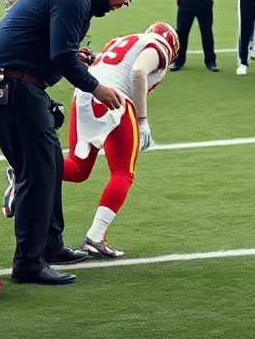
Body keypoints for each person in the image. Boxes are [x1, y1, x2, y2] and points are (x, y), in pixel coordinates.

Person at [0, 0, 138, 285]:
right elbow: (60, 56)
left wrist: (73, 52)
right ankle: (28, 263)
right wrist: (97, 87)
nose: (124, 4)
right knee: (36, 174)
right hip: (11, 86)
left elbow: (54, 46)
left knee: (50, 164)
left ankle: (50, 246)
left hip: (13, 83)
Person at [60, 23, 180, 257]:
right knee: (123, 172)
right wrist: (142, 120)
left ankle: (25, 169)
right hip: (112, 97)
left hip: (86, 92)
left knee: (78, 169)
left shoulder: (120, 40)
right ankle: (95, 236)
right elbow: (137, 72)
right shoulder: (159, 47)